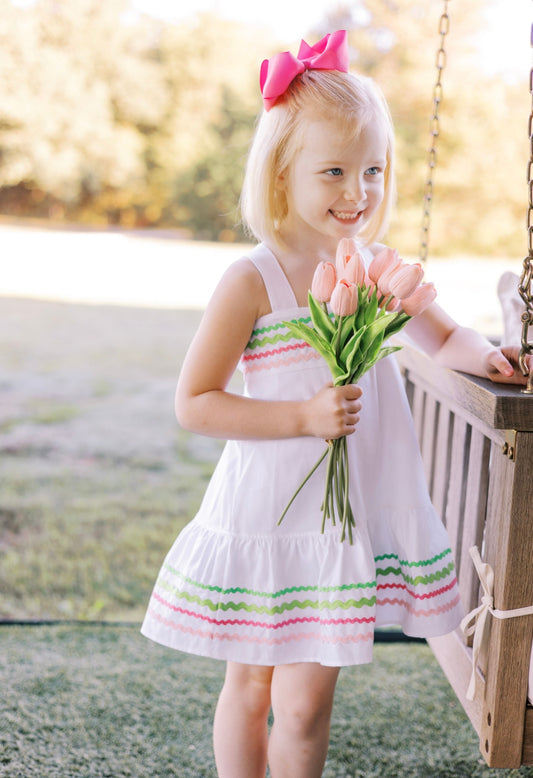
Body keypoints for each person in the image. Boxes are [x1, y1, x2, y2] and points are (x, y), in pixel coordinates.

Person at [141, 30, 532, 778]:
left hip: (335, 533)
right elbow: (196, 402)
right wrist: (300, 418)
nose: (358, 193)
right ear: (282, 175)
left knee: (306, 705)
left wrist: (487, 355)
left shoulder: (376, 268)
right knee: (249, 684)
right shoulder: (251, 280)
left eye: (373, 171)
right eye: (334, 172)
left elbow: (443, 336)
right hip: (264, 515)